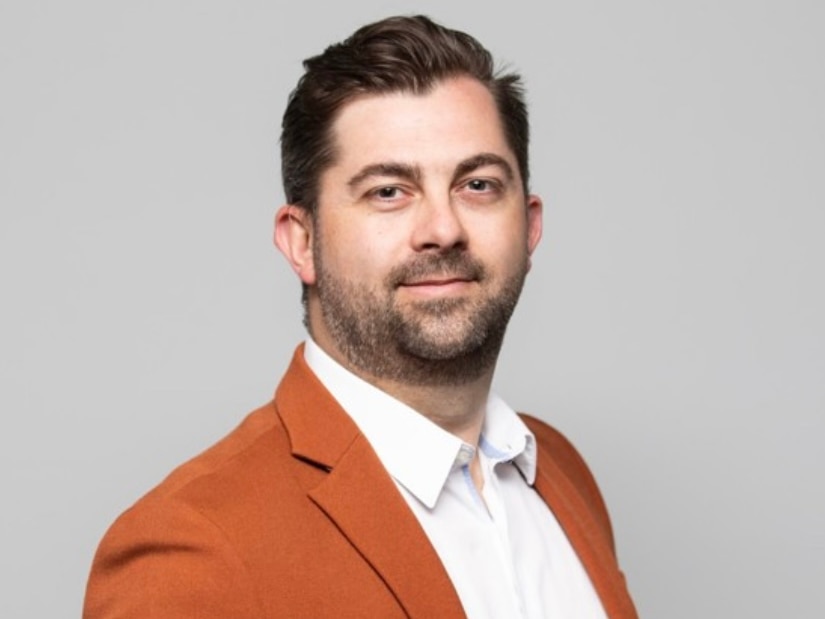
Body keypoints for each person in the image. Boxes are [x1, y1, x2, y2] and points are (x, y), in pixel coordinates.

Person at [83, 14, 638, 619]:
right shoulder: (194, 553)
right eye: (388, 192)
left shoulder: (559, 472)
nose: (443, 229)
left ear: (529, 226)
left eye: (477, 185)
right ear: (301, 242)